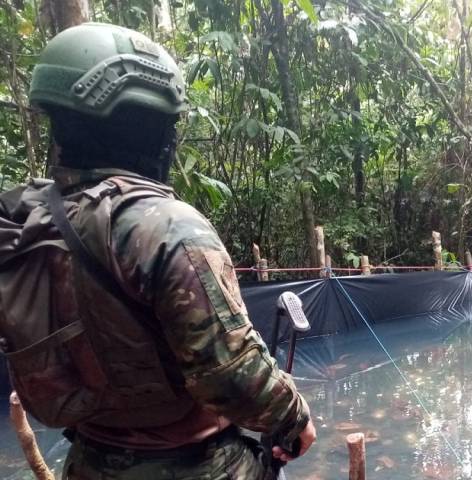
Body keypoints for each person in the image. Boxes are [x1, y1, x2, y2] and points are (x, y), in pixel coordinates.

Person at [0, 23, 315, 479]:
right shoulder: (165, 227)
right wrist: (295, 416)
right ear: (153, 126)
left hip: (88, 461)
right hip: (197, 467)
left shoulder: (24, 219)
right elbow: (231, 375)